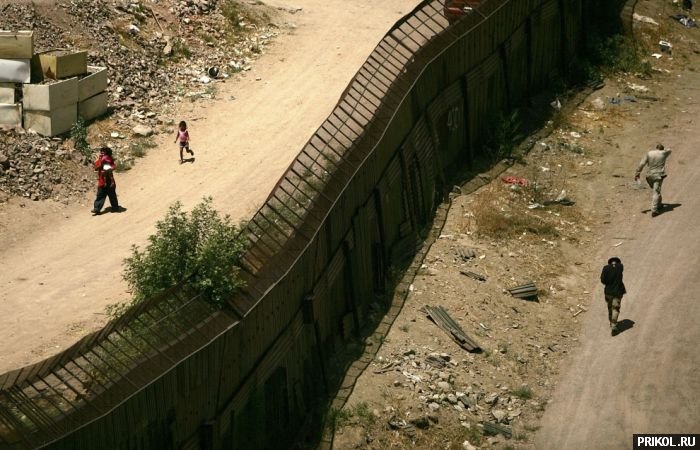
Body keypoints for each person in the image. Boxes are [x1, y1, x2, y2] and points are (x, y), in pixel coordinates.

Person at [635, 143, 672, 217]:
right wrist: (663, 150)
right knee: (656, 192)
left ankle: (659, 204)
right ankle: (654, 210)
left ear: (656, 148)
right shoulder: (663, 153)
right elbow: (670, 150)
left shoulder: (649, 153)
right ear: (662, 149)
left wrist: (637, 173)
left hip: (649, 176)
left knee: (656, 190)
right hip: (658, 176)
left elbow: (642, 163)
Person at [600, 257, 626, 336]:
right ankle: (614, 325)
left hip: (608, 292)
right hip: (617, 292)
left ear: (610, 262)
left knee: (610, 308)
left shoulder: (605, 268)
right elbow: (619, 267)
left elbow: (603, 280)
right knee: (616, 308)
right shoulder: (620, 267)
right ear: (617, 262)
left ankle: (611, 322)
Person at [91, 147, 120, 215]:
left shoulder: (109, 160)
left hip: (110, 181)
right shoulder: (99, 160)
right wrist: (101, 164)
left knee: (112, 195)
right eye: (101, 152)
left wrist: (110, 169)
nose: (102, 153)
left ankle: (115, 207)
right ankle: (97, 208)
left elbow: (114, 166)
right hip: (102, 181)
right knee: (100, 195)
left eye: (104, 152)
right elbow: (96, 168)